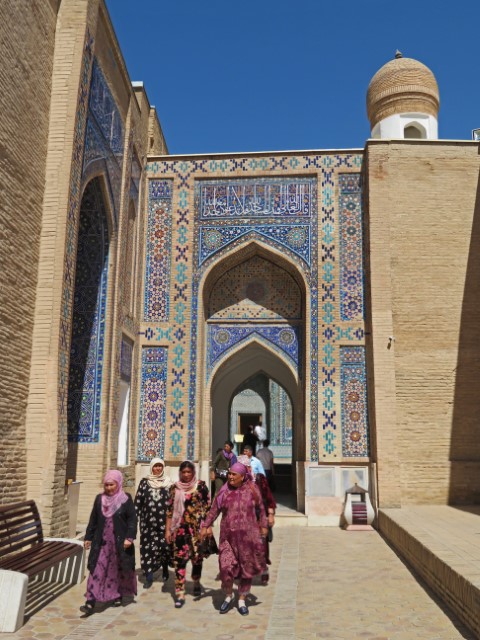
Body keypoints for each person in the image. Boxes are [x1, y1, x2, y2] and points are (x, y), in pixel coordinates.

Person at [200, 462, 268, 617]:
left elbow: (261, 509)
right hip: (227, 538)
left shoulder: (252, 490)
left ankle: (242, 600)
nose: (230, 477)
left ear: (242, 477)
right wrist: (205, 526)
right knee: (226, 568)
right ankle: (228, 595)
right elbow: (214, 510)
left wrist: (263, 525)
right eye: (229, 473)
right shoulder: (224, 492)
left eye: (233, 474)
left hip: (248, 539)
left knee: (246, 570)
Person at [81, 470, 137, 615]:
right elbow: (93, 520)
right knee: (97, 571)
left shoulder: (125, 499)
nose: (109, 488)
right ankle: (90, 601)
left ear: (118, 483)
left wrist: (129, 538)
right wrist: (88, 537)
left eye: (112, 485)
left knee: (115, 570)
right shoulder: (99, 499)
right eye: (106, 485)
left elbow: (132, 520)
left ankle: (117, 595)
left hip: (119, 544)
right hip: (102, 543)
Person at [166, 461, 210, 608]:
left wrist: (208, 527)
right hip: (179, 530)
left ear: (193, 473)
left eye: (188, 472)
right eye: (183, 472)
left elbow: (208, 508)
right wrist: (167, 530)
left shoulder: (201, 486)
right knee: (180, 561)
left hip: (197, 531)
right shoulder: (174, 488)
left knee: (197, 559)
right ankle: (180, 593)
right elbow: (169, 511)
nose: (185, 475)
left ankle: (196, 581)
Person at [237, 454, 276, 585]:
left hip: (259, 518)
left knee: (261, 546)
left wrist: (270, 514)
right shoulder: (235, 481)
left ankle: (263, 569)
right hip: (242, 520)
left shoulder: (260, 480)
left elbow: (269, 497)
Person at [134, 457, 172, 589]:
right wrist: (134, 519)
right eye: (155, 466)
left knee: (164, 548)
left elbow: (172, 504)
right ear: (151, 467)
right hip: (147, 524)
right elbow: (138, 501)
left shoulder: (168, 483)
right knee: (147, 548)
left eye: (160, 466)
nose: (157, 469)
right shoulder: (145, 483)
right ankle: (149, 576)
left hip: (164, 524)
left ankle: (165, 568)